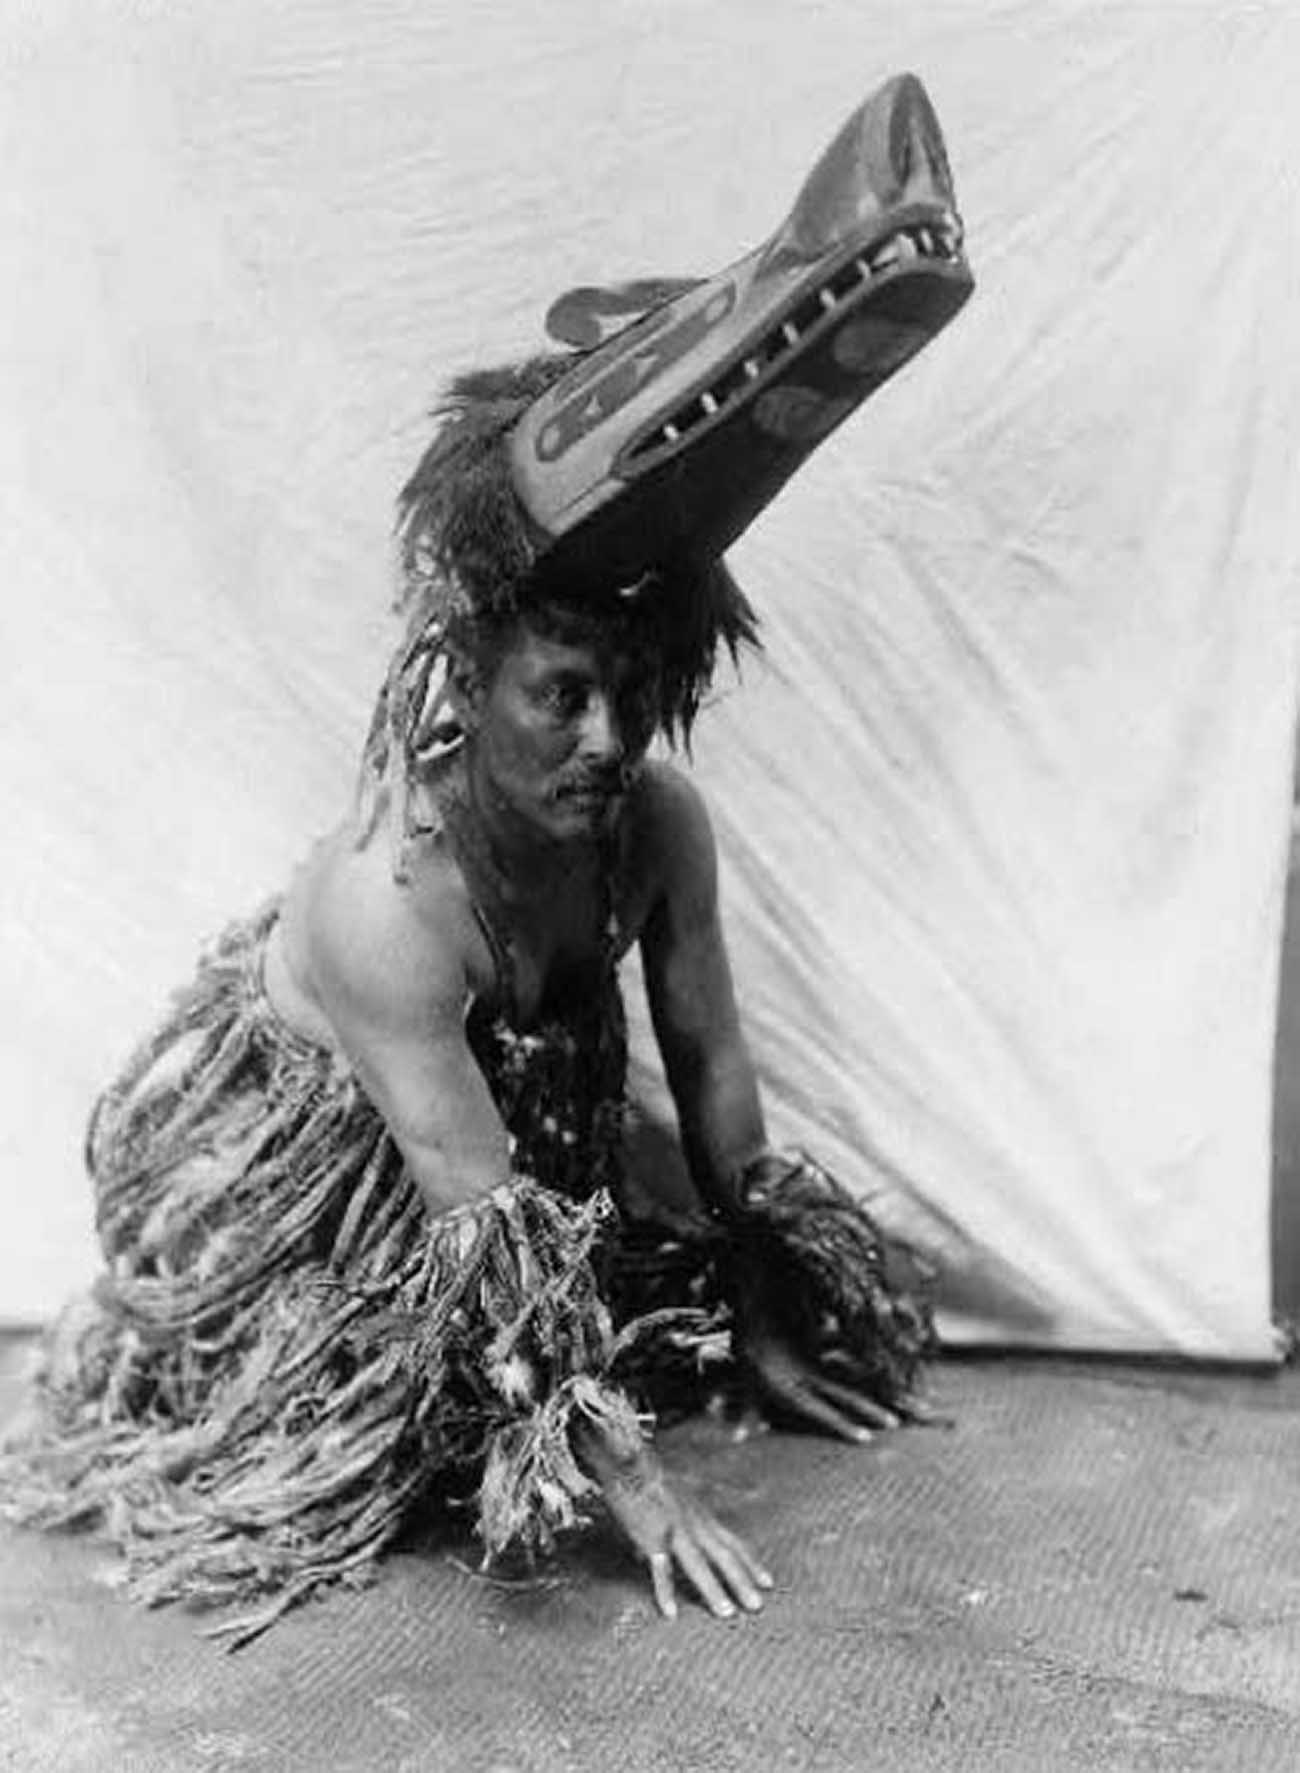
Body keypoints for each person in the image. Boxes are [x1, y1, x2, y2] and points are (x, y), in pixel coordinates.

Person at [0, 72, 972, 1643]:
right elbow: (485, 1220)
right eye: (560, 696)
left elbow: (712, 1062)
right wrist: (642, 1490)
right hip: (332, 1211)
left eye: (631, 698)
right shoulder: (388, 910)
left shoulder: (658, 832)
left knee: (597, 1320)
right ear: (469, 684)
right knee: (372, 1454)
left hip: (478, 1177)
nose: (605, 738)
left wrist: (763, 1298)